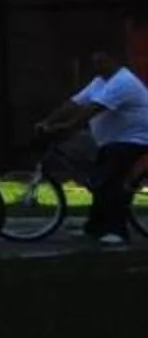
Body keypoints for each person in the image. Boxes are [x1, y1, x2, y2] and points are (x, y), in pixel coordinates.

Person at [38, 48, 148, 245]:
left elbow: (93, 109)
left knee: (108, 181)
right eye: (94, 62)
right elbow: (74, 103)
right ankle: (95, 229)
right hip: (111, 140)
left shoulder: (123, 82)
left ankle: (118, 232)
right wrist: (48, 120)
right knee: (99, 180)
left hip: (133, 139)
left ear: (114, 61)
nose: (97, 67)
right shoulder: (100, 81)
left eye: (101, 62)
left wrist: (66, 126)